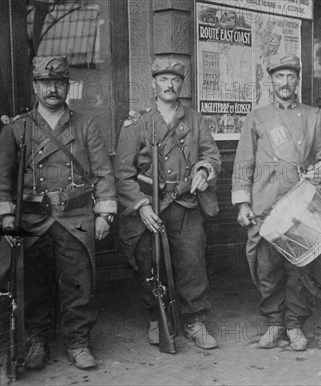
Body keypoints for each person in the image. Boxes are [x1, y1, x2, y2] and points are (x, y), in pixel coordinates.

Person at [0, 56, 117, 370]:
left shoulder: (85, 124)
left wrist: (104, 213)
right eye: (45, 83)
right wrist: (7, 216)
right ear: (36, 86)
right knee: (34, 284)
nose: (52, 89)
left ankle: (78, 342)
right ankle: (37, 341)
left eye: (59, 83)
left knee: (79, 284)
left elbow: (103, 172)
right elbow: (4, 176)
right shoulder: (17, 128)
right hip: (33, 220)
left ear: (68, 86)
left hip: (75, 218)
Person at [115, 58, 221, 350]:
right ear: (153, 84)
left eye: (175, 80)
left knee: (192, 262)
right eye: (163, 80)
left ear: (181, 85)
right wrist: (141, 205)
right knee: (152, 262)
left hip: (186, 204)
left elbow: (213, 158)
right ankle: (155, 317)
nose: (170, 85)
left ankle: (194, 321)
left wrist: (203, 170)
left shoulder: (196, 120)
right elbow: (123, 173)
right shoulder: (139, 123)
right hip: (152, 206)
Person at [232, 54, 321, 351]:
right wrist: (243, 202)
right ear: (271, 81)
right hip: (265, 204)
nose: (285, 82)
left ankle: (294, 325)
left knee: (299, 269)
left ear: (297, 80)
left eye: (291, 76)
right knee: (267, 269)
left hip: (301, 204)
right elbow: (243, 162)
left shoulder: (314, 116)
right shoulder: (258, 116)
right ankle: (274, 323)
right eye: (279, 77)